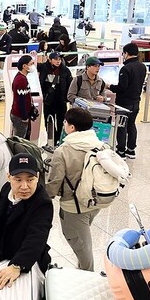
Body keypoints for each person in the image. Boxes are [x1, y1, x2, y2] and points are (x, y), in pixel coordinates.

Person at [0, 153, 54, 290]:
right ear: (9, 177)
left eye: (30, 180)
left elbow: (37, 237)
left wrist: (18, 265)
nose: (24, 186)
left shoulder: (42, 203)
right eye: (18, 180)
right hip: (1, 253)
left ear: (38, 177)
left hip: (25, 259)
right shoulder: (6, 190)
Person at [45, 107, 104, 271]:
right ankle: (83, 270)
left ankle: (88, 276)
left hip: (73, 207)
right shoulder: (100, 146)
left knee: (81, 246)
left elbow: (55, 182)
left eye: (65, 122)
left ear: (71, 127)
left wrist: (46, 195)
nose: (64, 124)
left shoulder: (63, 151)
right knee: (83, 238)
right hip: (96, 202)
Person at [110, 43, 147, 159]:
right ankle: (131, 150)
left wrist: (109, 86)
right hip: (136, 101)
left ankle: (121, 151)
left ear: (126, 53)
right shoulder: (142, 66)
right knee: (131, 125)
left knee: (122, 126)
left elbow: (122, 87)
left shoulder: (125, 69)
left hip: (124, 103)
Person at [38, 51, 72, 145]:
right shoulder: (44, 68)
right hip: (48, 101)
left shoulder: (65, 70)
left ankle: (59, 140)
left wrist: (67, 98)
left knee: (62, 122)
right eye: (56, 59)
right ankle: (51, 141)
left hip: (61, 101)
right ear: (50, 60)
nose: (58, 61)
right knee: (49, 121)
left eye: (60, 59)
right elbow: (32, 64)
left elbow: (70, 84)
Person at [10, 54, 35, 139]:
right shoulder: (21, 80)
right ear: (24, 66)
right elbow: (21, 100)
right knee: (19, 141)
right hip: (19, 116)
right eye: (31, 64)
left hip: (20, 114)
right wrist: (24, 116)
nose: (33, 66)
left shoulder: (22, 78)